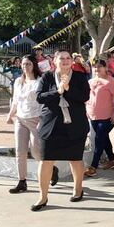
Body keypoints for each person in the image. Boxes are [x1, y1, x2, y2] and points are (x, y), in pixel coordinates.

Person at [32, 51, 91, 211]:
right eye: (61, 58)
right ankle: (42, 197)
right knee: (46, 161)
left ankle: (78, 190)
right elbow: (39, 97)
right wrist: (57, 91)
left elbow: (85, 96)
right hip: (51, 126)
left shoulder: (80, 77)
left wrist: (68, 88)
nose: (65, 61)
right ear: (55, 61)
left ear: (72, 61)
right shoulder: (47, 77)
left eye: (68, 58)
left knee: (75, 159)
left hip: (75, 126)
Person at [6, 54, 57, 193]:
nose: (25, 67)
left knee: (36, 151)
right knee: (20, 151)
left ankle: (51, 170)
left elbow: (44, 101)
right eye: (23, 64)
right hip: (20, 119)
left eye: (28, 64)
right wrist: (10, 115)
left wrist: (42, 119)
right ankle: (22, 181)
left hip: (36, 119)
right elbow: (15, 100)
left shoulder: (40, 81)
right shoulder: (18, 81)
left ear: (34, 65)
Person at [84, 60, 114, 177]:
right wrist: (86, 111)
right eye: (95, 67)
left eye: (100, 67)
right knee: (103, 137)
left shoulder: (111, 81)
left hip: (107, 117)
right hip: (93, 115)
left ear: (106, 68)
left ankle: (93, 167)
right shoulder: (90, 81)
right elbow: (87, 98)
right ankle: (112, 159)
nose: (97, 69)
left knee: (99, 139)